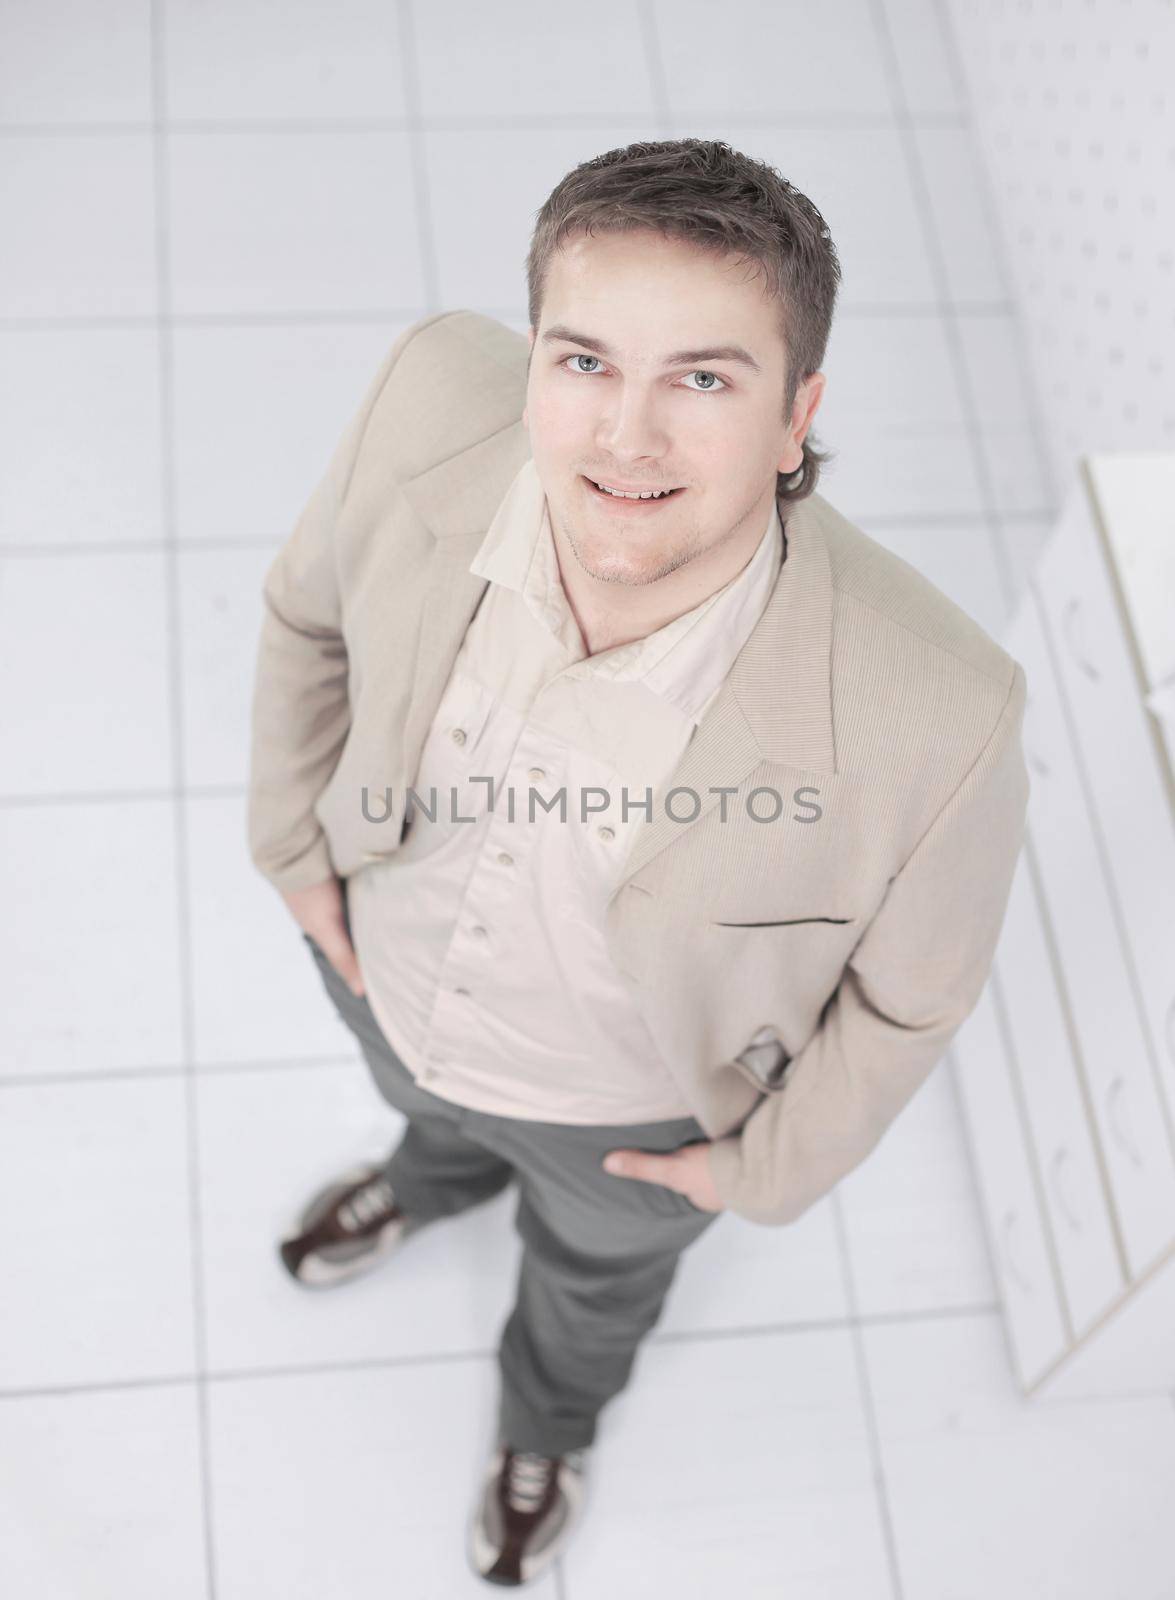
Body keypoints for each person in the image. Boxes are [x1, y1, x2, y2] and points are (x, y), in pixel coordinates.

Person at [247, 138, 1029, 1588]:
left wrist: (750, 1174)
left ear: (799, 414)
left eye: (706, 379)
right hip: (386, 975)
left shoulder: (944, 711)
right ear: (534, 355)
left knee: (592, 1287)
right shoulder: (432, 396)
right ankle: (430, 1176)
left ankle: (547, 1421)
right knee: (424, 1112)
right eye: (587, 361)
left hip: (627, 1120)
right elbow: (308, 621)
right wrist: (295, 856)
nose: (626, 438)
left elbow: (913, 1000)